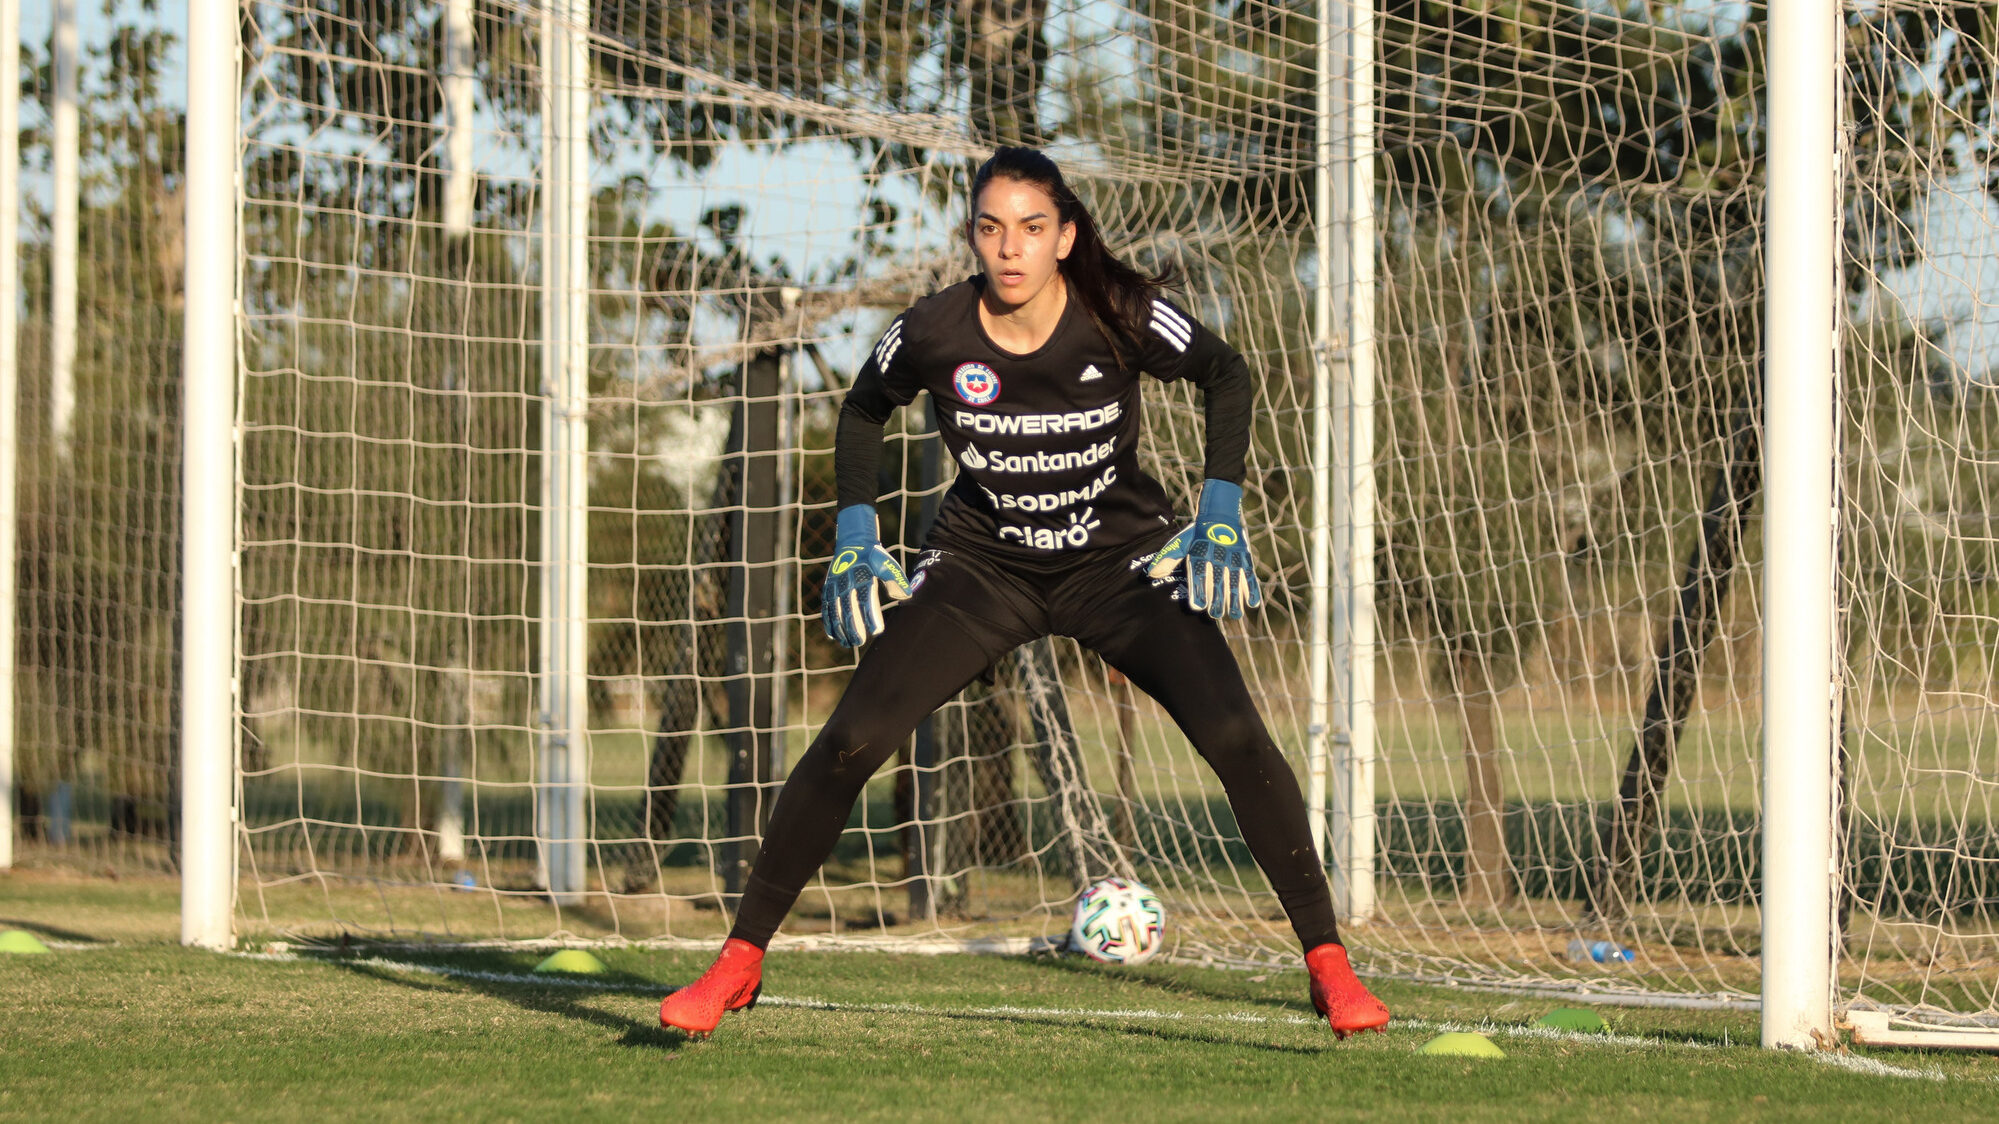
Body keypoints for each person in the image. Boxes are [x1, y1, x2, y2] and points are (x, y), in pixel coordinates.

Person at [659, 146, 1390, 1041]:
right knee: (852, 738)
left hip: (1119, 569)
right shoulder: (933, 330)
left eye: (1032, 228)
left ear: (1063, 237)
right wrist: (856, 531)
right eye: (991, 228)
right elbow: (861, 409)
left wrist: (1221, 511)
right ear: (973, 236)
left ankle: (1328, 967)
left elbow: (1224, 375)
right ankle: (736, 963)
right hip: (982, 572)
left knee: (1236, 734)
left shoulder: (1118, 312)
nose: (1009, 248)